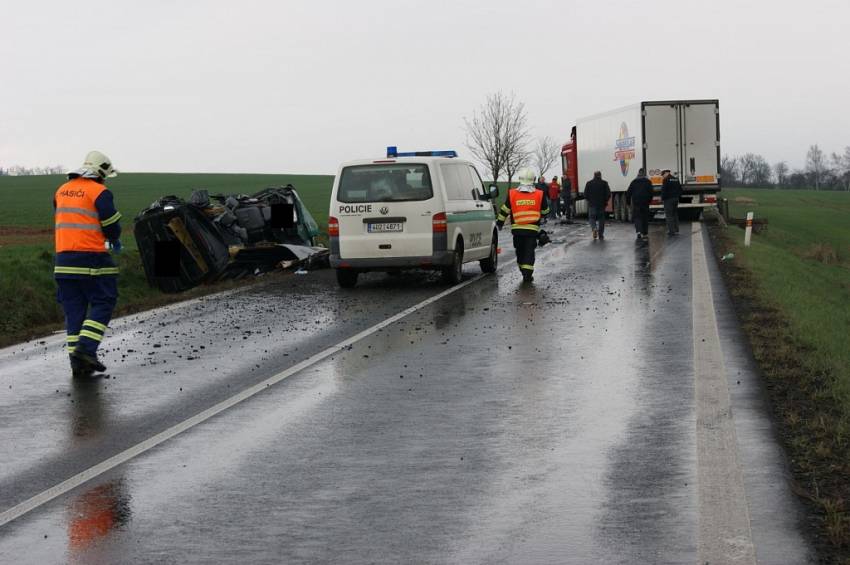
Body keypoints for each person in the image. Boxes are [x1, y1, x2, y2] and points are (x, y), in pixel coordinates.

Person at [54, 151, 122, 378]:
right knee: (104, 300)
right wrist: (114, 237)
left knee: (74, 311)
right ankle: (86, 349)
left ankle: (78, 363)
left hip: (62, 261)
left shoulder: (61, 190)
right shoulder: (100, 192)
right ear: (101, 173)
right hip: (91, 257)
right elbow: (111, 223)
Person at [496, 168, 549, 282]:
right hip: (532, 231)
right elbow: (545, 211)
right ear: (533, 180)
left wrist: (500, 223)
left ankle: (524, 270)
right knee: (529, 251)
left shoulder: (512, 193)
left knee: (520, 251)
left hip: (517, 230)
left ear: (520, 179)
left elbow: (505, 210)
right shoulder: (539, 194)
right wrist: (543, 216)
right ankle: (527, 274)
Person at [625, 168, 654, 240]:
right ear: (644, 174)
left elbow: (628, 193)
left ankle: (638, 232)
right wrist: (649, 200)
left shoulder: (634, 182)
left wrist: (628, 202)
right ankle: (645, 233)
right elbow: (651, 192)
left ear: (638, 173)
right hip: (645, 203)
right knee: (645, 218)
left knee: (637, 217)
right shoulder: (648, 182)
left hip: (636, 203)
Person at [584, 171, 611, 240]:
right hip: (601, 205)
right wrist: (605, 201)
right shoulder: (604, 183)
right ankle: (601, 234)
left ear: (594, 175)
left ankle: (594, 228)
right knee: (601, 219)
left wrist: (589, 200)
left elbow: (585, 194)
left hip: (592, 204)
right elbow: (608, 194)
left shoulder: (589, 183)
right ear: (600, 175)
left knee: (592, 218)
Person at [661, 169, 683, 235]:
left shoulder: (666, 180)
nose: (663, 176)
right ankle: (676, 229)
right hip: (675, 199)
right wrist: (677, 196)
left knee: (669, 215)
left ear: (666, 173)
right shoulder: (676, 179)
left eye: (663, 175)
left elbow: (664, 190)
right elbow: (680, 189)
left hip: (668, 200)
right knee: (675, 214)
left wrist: (662, 198)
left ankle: (671, 231)